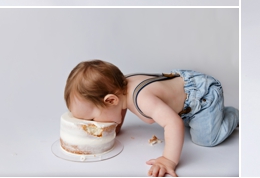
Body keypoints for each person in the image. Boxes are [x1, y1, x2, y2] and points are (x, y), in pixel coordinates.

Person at [65, 60, 238, 177]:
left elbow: (173, 123)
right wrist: (117, 126)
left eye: (93, 119)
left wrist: (168, 159)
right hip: (183, 92)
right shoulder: (122, 89)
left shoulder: (142, 99)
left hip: (203, 95)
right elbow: (120, 109)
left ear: (111, 100)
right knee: (181, 120)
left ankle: (232, 115)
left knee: (205, 139)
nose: (93, 124)